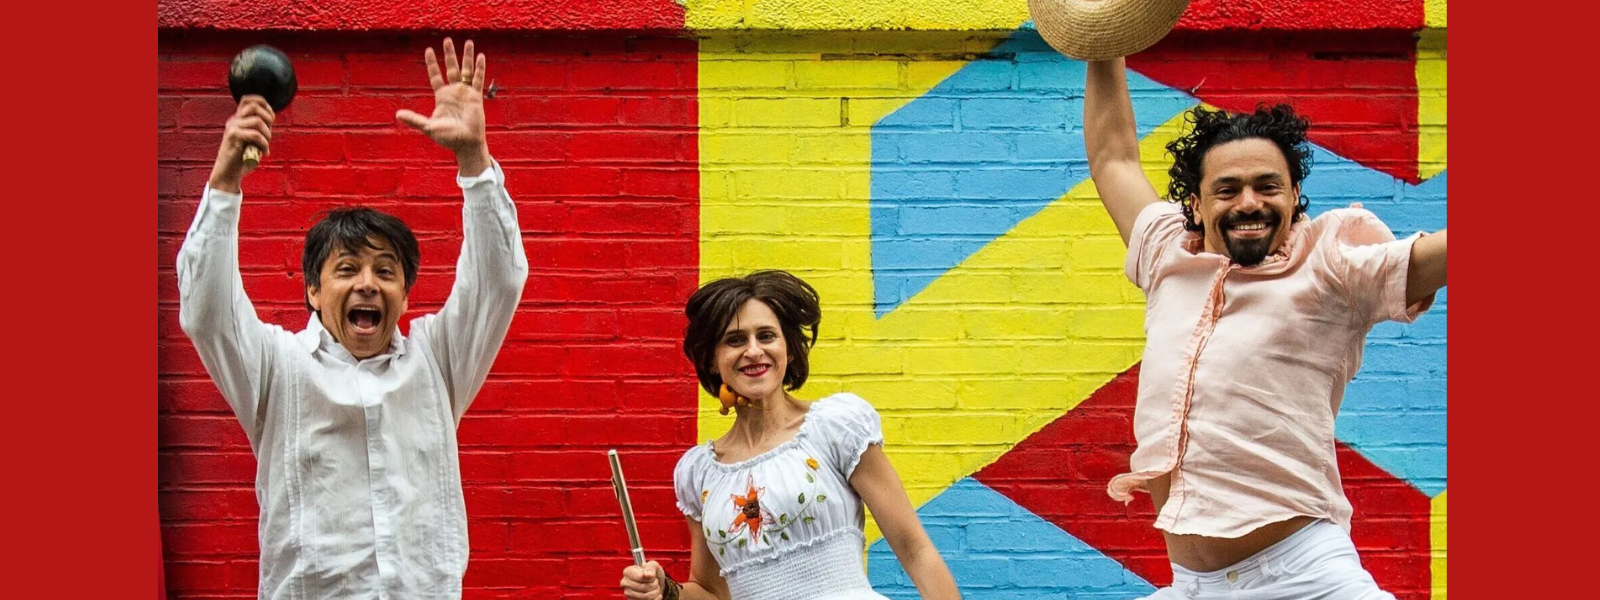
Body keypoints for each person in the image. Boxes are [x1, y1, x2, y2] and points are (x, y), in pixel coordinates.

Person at [1083, 58, 1447, 599]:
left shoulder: (1332, 269)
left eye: (1268, 186)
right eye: (1227, 190)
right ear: (1196, 204)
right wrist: (1103, 44)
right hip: (1193, 585)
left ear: (1295, 195)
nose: (1249, 203)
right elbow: (1113, 157)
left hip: (1304, 579)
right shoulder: (1166, 254)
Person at [177, 38, 527, 599]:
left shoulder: (437, 363)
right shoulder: (275, 368)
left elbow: (500, 281)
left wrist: (475, 164)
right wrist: (225, 182)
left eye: (385, 271)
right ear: (314, 291)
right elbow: (205, 310)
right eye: (347, 269)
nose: (367, 283)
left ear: (406, 296)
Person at [619, 271, 961, 600]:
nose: (753, 350)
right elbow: (712, 592)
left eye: (766, 336)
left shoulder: (835, 426)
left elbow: (913, 548)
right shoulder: (699, 473)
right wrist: (665, 591)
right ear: (711, 360)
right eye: (735, 340)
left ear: (790, 349)